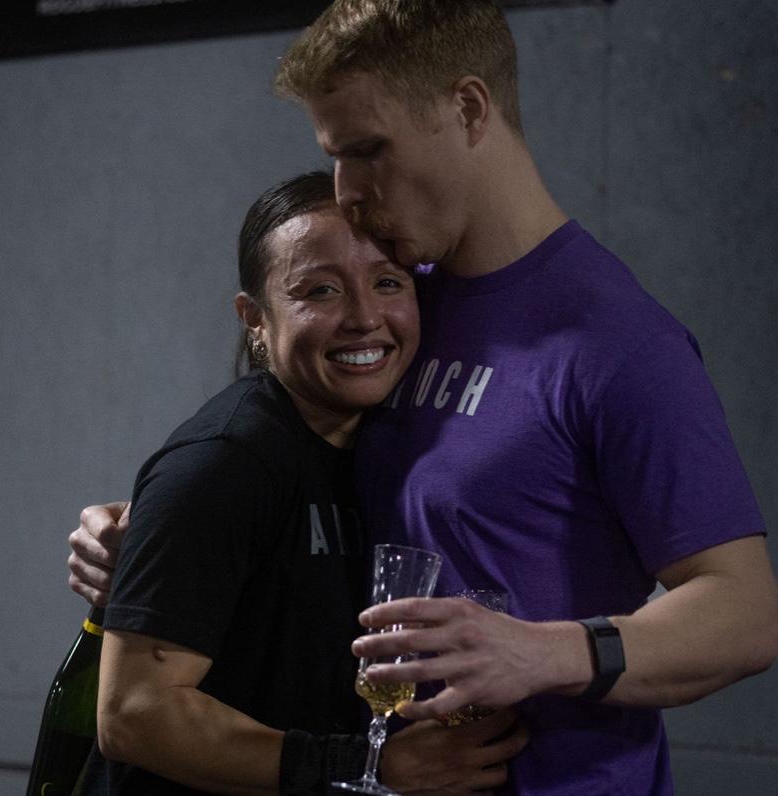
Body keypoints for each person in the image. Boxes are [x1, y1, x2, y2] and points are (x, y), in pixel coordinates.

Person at [71, 0, 778, 793]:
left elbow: (744, 614)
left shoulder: (621, 343)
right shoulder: (404, 303)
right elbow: (287, 459)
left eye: (368, 151)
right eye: (335, 158)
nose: (347, 192)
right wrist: (157, 529)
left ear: (469, 109)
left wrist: (544, 651)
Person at [73, 170, 526, 795]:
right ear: (255, 319)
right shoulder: (224, 462)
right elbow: (134, 715)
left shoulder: (385, 444)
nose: (364, 318)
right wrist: (365, 767)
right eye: (320, 290)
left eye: (387, 282)